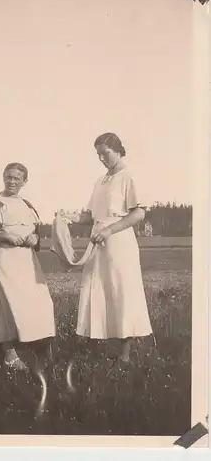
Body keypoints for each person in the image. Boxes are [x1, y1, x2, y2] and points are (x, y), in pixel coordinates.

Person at [61, 133, 153, 364]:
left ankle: (125, 353)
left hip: (119, 240)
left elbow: (139, 213)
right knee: (97, 288)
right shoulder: (100, 181)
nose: (102, 159)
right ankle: (94, 343)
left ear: (118, 149)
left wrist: (109, 231)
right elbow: (90, 215)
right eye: (98, 155)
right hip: (98, 240)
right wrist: (67, 216)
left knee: (121, 289)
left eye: (105, 153)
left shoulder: (129, 176)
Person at [0, 162, 55, 372]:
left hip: (27, 260)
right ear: (3, 177)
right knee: (9, 305)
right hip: (4, 259)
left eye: (16, 179)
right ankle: (9, 355)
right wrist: (6, 235)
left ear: (24, 182)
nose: (12, 181)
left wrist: (34, 236)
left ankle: (41, 348)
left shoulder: (26, 204)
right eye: (8, 177)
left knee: (41, 302)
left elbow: (36, 231)